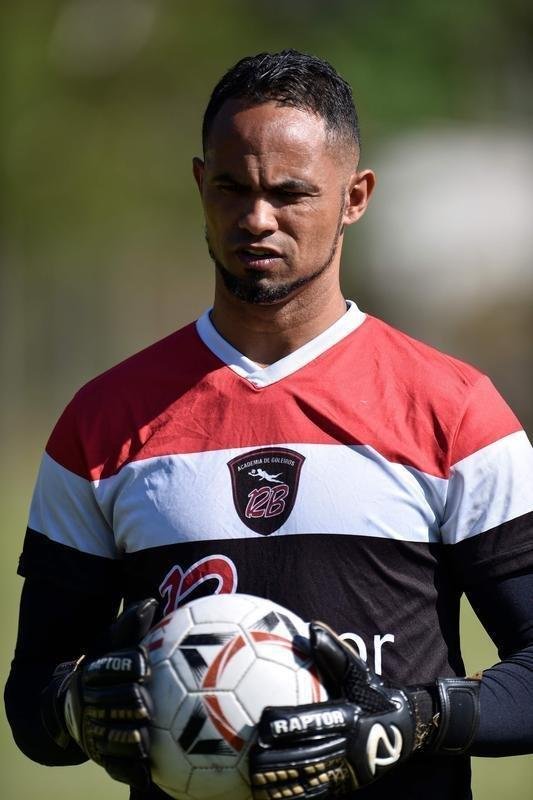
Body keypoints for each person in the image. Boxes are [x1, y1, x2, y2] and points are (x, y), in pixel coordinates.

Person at [5, 49, 533, 800]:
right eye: (231, 187)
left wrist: (413, 720)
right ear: (199, 184)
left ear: (355, 196)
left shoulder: (454, 410)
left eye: (290, 193)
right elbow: (33, 696)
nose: (256, 219)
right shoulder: (101, 422)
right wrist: (76, 707)